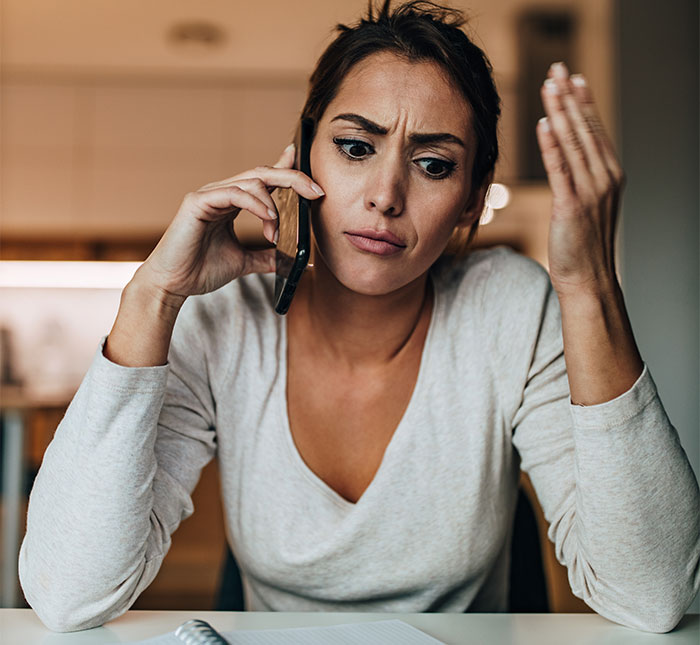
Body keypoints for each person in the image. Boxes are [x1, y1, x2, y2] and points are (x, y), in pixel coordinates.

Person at [19, 0, 699, 634]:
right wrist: (151, 296)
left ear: (468, 201)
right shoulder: (225, 322)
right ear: (303, 153)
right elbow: (65, 592)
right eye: (354, 147)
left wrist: (589, 284)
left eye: (433, 164)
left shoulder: (510, 311)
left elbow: (653, 593)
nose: (385, 195)